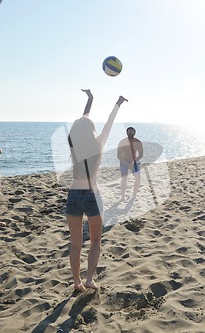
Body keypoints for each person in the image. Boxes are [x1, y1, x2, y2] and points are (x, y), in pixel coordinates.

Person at [66, 89, 128, 292]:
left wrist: (90, 100)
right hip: (93, 194)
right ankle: (89, 279)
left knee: (75, 243)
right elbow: (109, 122)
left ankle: (76, 282)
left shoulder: (73, 143)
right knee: (94, 241)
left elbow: (82, 121)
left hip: (74, 194)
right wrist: (117, 103)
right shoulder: (98, 143)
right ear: (92, 130)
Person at [117, 127, 143, 201]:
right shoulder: (122, 142)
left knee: (138, 178)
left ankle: (134, 196)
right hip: (124, 161)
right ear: (126, 133)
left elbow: (141, 154)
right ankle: (123, 197)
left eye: (132, 132)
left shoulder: (138, 142)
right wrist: (127, 164)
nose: (130, 133)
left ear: (134, 133)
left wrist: (134, 161)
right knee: (124, 178)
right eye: (129, 132)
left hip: (134, 161)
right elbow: (119, 155)